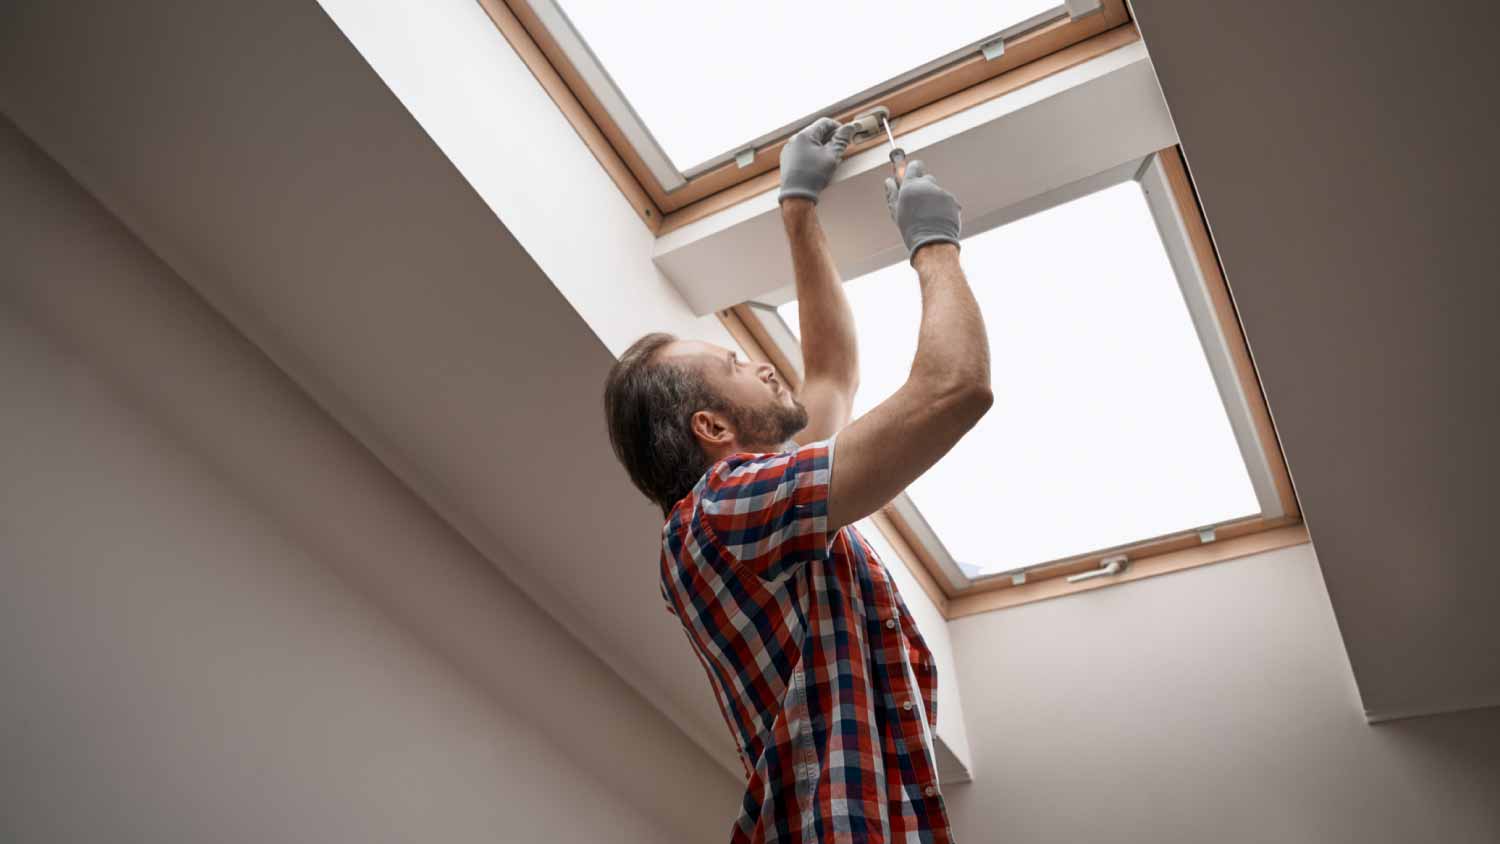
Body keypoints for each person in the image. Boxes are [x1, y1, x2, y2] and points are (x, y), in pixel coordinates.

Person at [603, 117, 992, 843]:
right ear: (713, 429)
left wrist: (798, 211)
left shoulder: (743, 521)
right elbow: (953, 389)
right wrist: (935, 244)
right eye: (732, 367)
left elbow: (831, 377)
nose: (756, 361)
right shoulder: (718, 515)